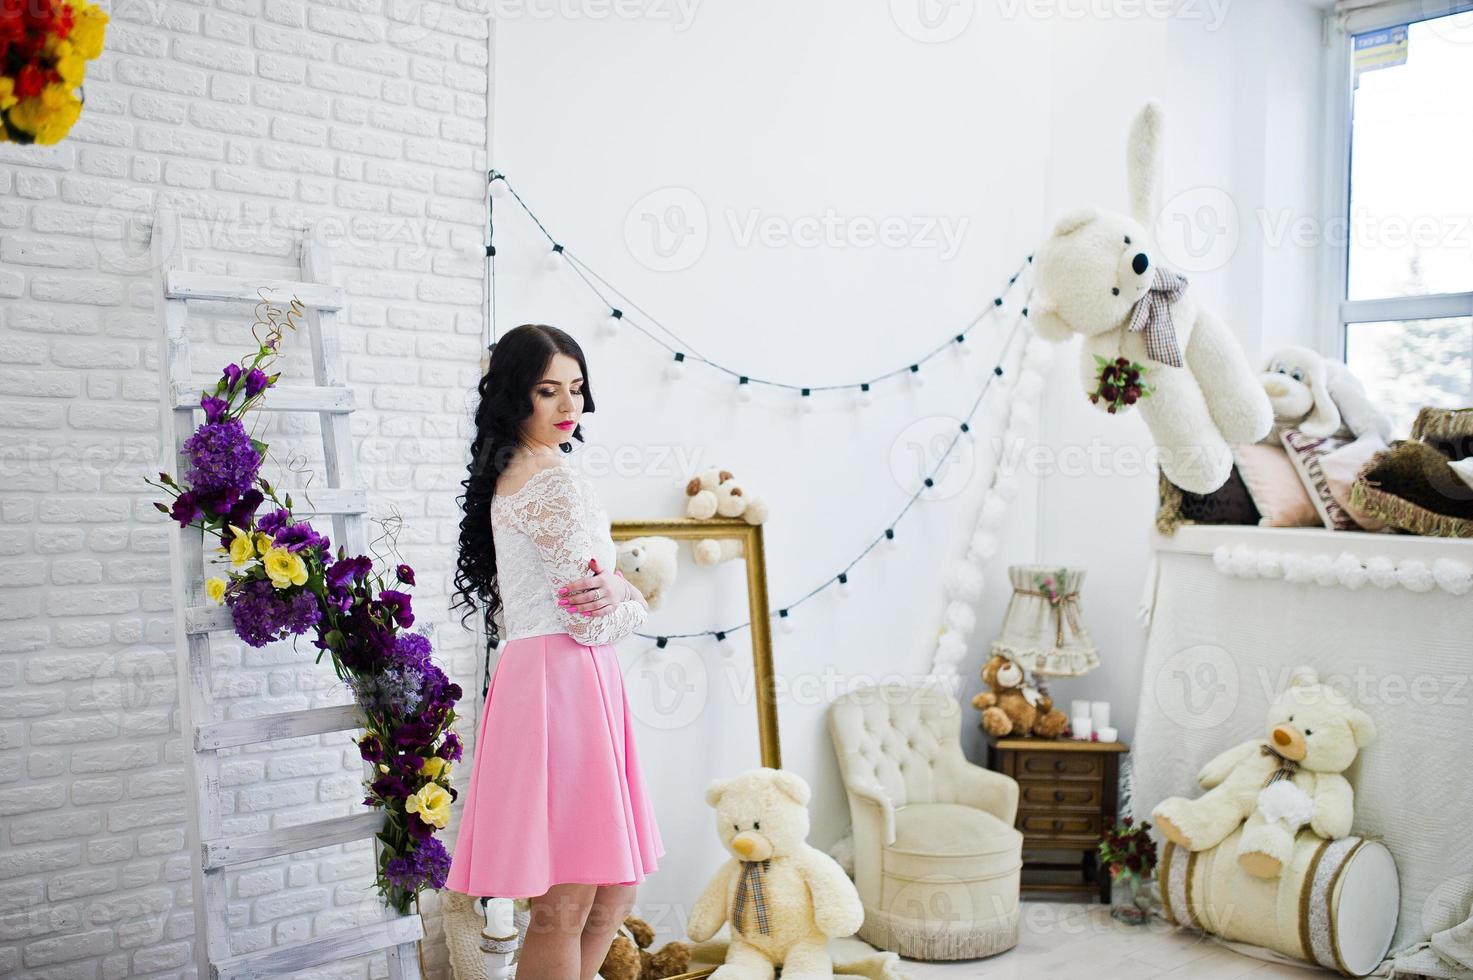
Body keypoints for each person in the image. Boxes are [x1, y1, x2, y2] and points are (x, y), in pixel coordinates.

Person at [449, 323, 665, 979]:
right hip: (562, 683)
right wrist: (634, 593)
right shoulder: (552, 479)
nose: (568, 406)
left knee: (604, 893)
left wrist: (615, 592)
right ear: (516, 396)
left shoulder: (515, 470)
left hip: (549, 680)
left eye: (575, 388)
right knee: (569, 902)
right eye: (549, 391)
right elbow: (592, 621)